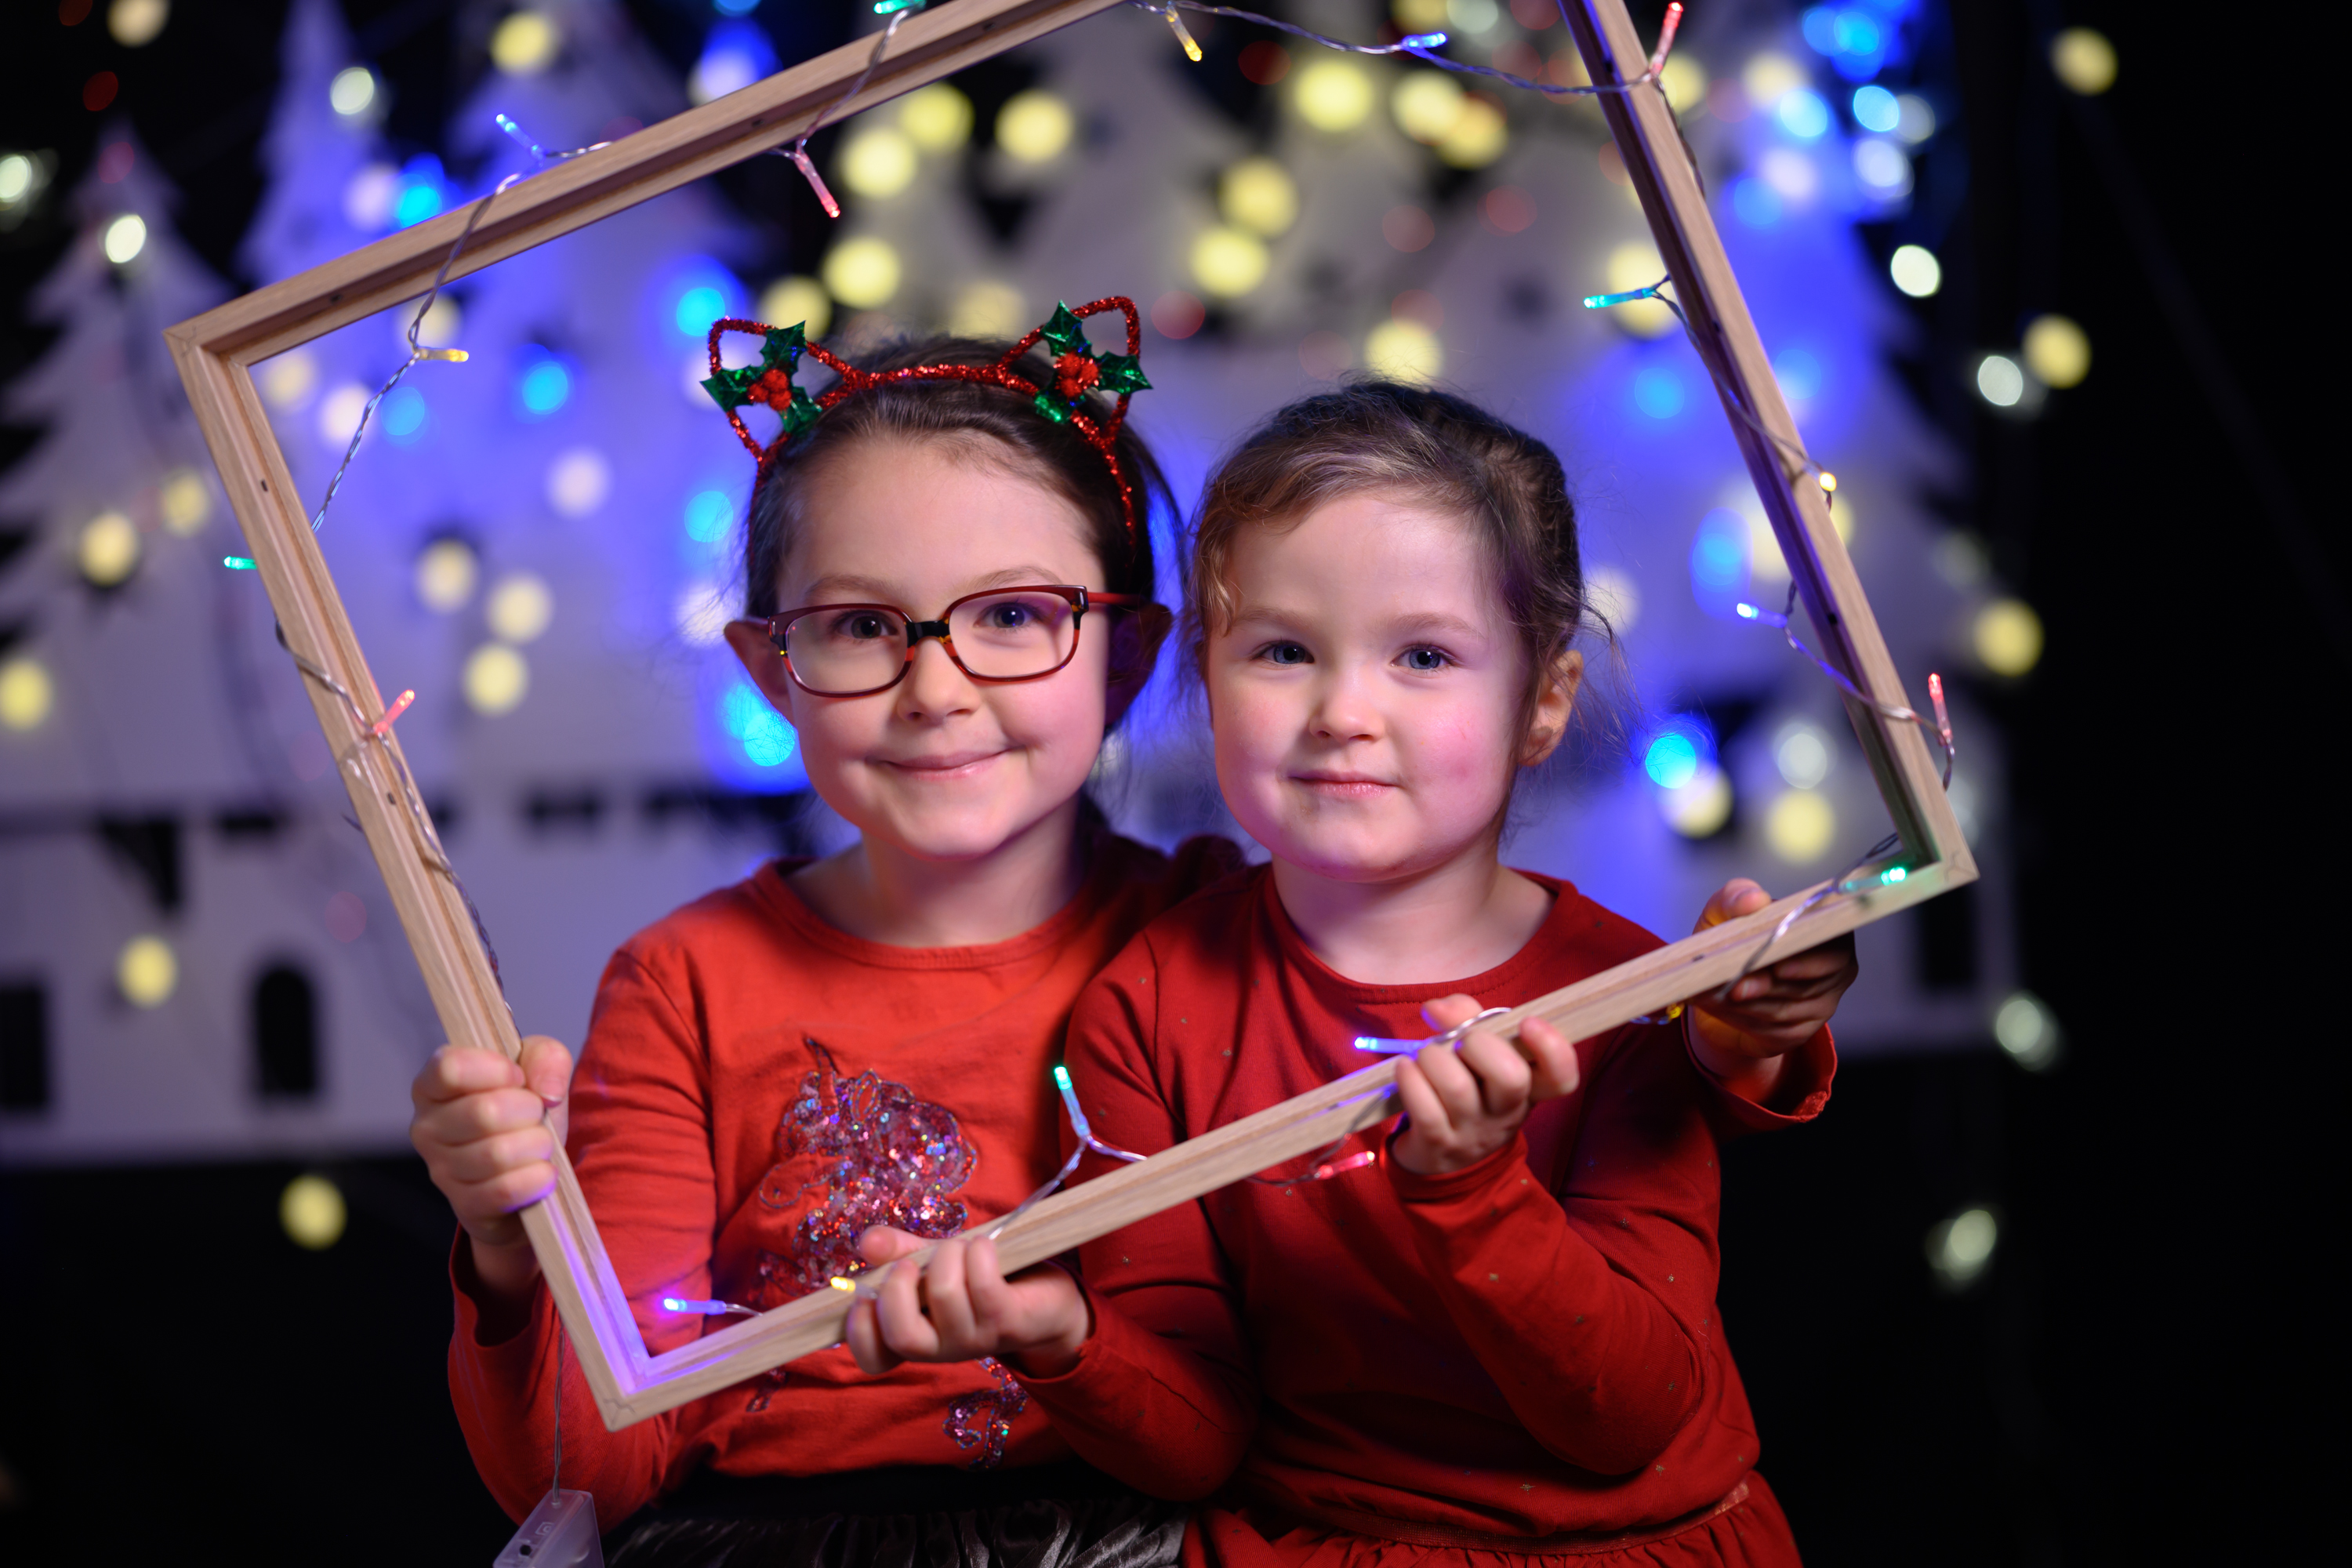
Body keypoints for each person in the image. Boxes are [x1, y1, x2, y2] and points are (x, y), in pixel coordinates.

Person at [847, 383, 1857, 1566]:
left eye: (1424, 655)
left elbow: (1624, 1421)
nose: (1342, 712)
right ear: (1205, 678)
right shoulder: (1149, 1007)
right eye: (1283, 650)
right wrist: (1060, 1336)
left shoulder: (1625, 993)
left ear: (1543, 702)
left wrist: (1472, 1189)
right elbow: (1198, 1447)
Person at [408, 303, 1235, 1566]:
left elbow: (1261, 1407)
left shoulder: (1217, 937)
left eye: (1014, 615)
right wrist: (513, 1252)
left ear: (1122, 656)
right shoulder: (685, 985)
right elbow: (585, 1478)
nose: (937, 689)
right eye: (860, 626)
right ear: (771, 672)